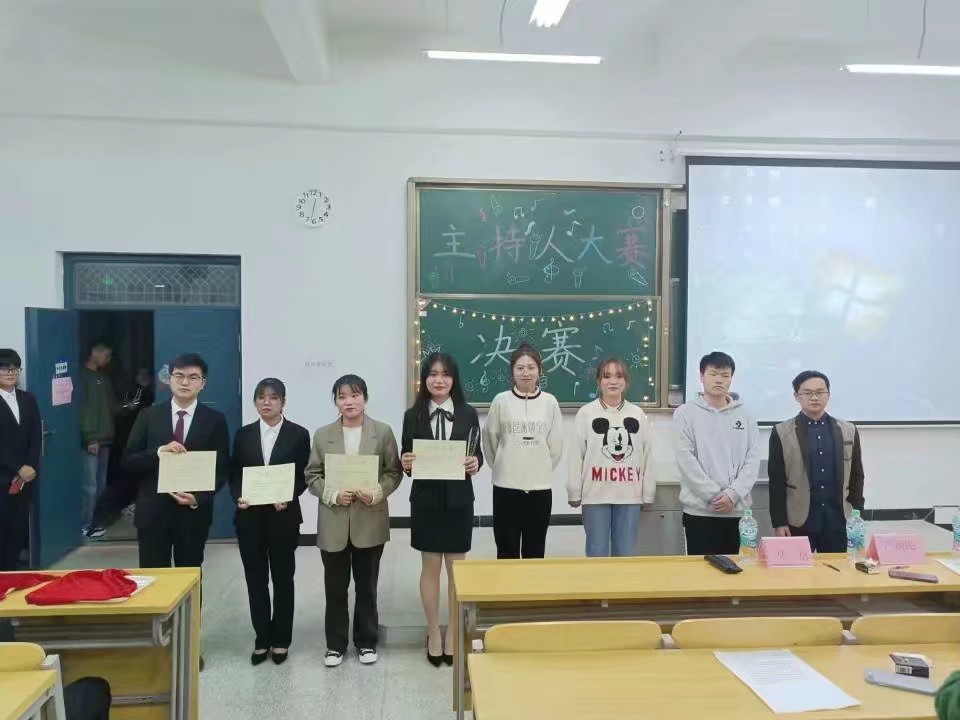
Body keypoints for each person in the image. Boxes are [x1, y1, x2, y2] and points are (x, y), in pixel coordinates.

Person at [305, 374, 402, 668]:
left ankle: (366, 641)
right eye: (342, 396)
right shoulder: (323, 435)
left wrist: (377, 492)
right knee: (335, 588)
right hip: (334, 521)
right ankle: (335, 645)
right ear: (336, 401)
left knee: (366, 587)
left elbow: (393, 472)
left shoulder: (382, 432)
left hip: (369, 520)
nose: (349, 402)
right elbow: (312, 475)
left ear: (365, 399)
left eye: (355, 395)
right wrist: (332, 494)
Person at [400, 353, 482, 666]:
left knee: (456, 569)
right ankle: (434, 631)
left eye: (445, 374)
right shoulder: (413, 415)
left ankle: (453, 633)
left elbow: (477, 454)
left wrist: (475, 463)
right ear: (424, 379)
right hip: (426, 502)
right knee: (431, 567)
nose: (439, 380)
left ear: (454, 379)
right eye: (433, 374)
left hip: (459, 500)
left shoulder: (468, 413)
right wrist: (406, 462)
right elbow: (406, 457)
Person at [123, 353, 230, 569]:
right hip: (153, 512)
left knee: (189, 575)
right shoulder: (148, 416)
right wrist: (159, 452)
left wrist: (198, 498)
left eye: (193, 377)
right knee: (155, 578)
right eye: (179, 376)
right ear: (169, 379)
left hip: (192, 513)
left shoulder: (215, 420)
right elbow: (128, 461)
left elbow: (221, 469)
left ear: (203, 383)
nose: (185, 382)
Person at [230, 378, 310, 666]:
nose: (266, 402)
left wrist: (289, 494)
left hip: (283, 517)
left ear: (283, 402)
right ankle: (262, 637)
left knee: (283, 578)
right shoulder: (243, 434)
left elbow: (303, 474)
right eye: (261, 397)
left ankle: (281, 639)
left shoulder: (298, 434)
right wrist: (238, 496)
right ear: (255, 402)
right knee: (255, 579)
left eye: (273, 397)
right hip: (249, 517)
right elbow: (235, 473)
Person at [673, 351, 760, 556]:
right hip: (699, 512)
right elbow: (686, 459)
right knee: (701, 571)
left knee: (736, 570)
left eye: (725, 375)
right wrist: (714, 495)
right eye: (713, 374)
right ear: (701, 376)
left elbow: (753, 459)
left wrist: (732, 495)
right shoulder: (685, 413)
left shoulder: (745, 415)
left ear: (731, 378)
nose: (719, 380)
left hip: (737, 512)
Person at [768, 370, 865, 553]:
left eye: (820, 392)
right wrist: (779, 522)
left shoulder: (848, 430)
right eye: (807, 393)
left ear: (828, 395)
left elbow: (857, 476)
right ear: (796, 396)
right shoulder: (781, 432)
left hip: (838, 519)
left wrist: (858, 515)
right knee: (797, 570)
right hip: (798, 520)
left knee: (837, 569)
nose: (814, 397)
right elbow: (776, 482)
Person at [482, 344, 563, 560]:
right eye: (520, 368)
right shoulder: (501, 401)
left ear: (539, 370)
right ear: (512, 372)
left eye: (531, 367)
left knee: (535, 550)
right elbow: (490, 440)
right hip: (506, 487)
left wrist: (540, 468)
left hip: (540, 489)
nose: (525, 373)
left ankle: (532, 585)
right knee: (506, 549)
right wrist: (503, 464)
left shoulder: (550, 402)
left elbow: (555, 446)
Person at [568, 358, 655, 557]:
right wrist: (574, 491)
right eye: (607, 376)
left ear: (626, 381)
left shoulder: (637, 414)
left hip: (629, 496)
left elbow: (648, 455)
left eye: (619, 376)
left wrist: (648, 492)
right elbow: (575, 455)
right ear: (599, 381)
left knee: (625, 553)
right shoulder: (586, 413)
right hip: (595, 495)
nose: (613, 381)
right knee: (596, 551)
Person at [94, 367, 155, 531]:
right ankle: (95, 519)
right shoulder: (132, 390)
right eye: (140, 374)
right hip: (126, 439)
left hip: (139, 440)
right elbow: (123, 409)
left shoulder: (147, 394)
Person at [0, 349, 41, 571]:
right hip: (4, 475)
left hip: (25, 479)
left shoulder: (28, 399)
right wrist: (17, 467)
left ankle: (10, 574)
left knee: (18, 529)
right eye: (5, 368)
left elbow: (36, 435)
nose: (10, 373)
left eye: (15, 369)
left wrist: (30, 465)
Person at [79, 341, 118, 539]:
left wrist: (134, 403)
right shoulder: (82, 377)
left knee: (100, 485)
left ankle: (95, 521)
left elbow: (113, 407)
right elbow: (83, 409)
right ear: (95, 353)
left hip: (105, 438)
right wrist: (90, 437)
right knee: (90, 486)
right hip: (92, 440)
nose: (108, 360)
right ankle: (85, 525)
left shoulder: (103, 378)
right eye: (106, 355)